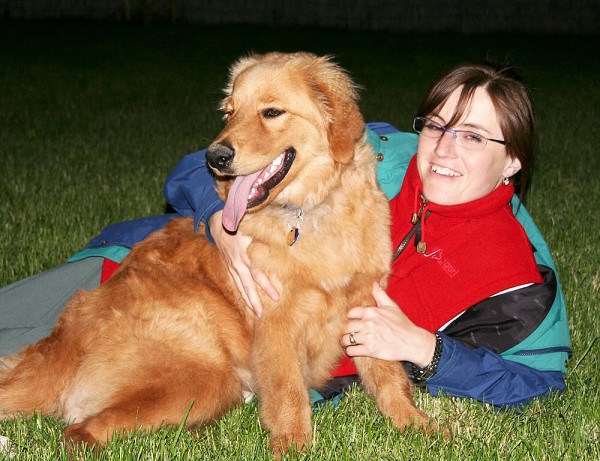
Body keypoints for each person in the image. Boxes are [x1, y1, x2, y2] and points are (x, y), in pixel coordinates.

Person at [0, 63, 570, 409]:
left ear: (513, 160)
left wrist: (425, 350)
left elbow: (540, 381)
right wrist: (219, 223)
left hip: (217, 338)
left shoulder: (514, 268)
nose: (444, 149)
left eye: (474, 137)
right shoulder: (380, 155)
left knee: (45, 377)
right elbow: (196, 166)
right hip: (151, 264)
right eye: (437, 125)